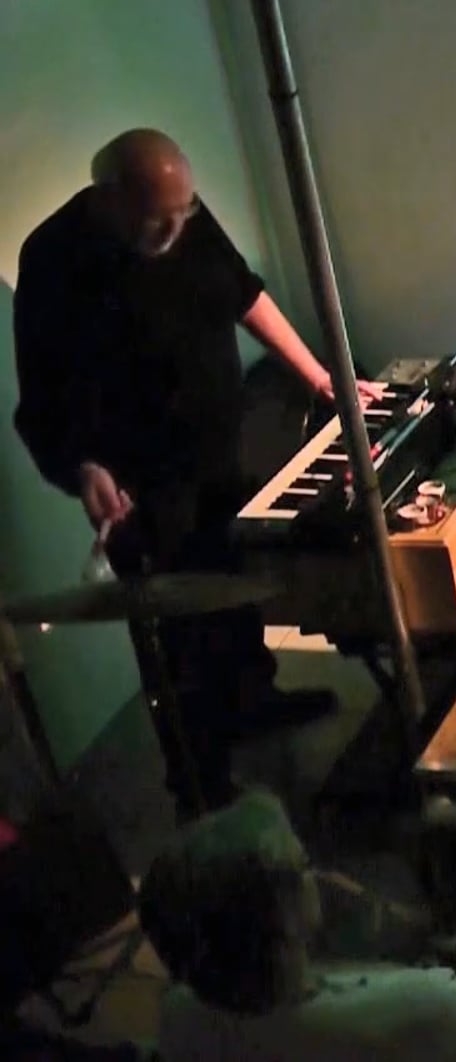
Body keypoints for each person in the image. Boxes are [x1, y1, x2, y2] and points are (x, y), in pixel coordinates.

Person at [12, 128, 345, 812]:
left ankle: (255, 701)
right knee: (178, 641)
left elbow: (244, 295)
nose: (174, 230)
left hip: (216, 453)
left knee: (235, 591)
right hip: (143, 486)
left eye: (183, 213)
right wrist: (83, 468)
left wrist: (319, 378)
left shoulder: (184, 216)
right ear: (109, 199)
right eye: (156, 220)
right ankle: (202, 787)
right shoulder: (51, 258)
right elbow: (42, 399)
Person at [142, 789, 456, 1061]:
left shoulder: (180, 1017)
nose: (318, 873)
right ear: (284, 925)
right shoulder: (420, 1009)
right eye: (305, 864)